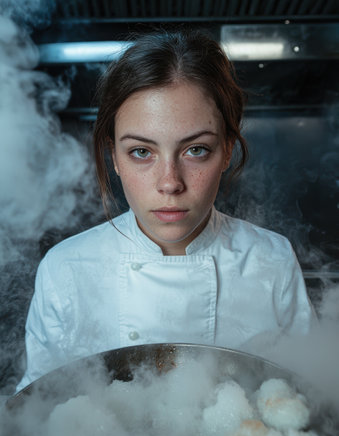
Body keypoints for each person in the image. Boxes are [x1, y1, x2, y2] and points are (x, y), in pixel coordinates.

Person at [16, 30, 315, 392]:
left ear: (227, 150)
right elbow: (39, 413)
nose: (170, 183)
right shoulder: (65, 271)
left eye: (196, 150)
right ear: (114, 157)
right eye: (142, 152)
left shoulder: (272, 259)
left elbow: (308, 397)